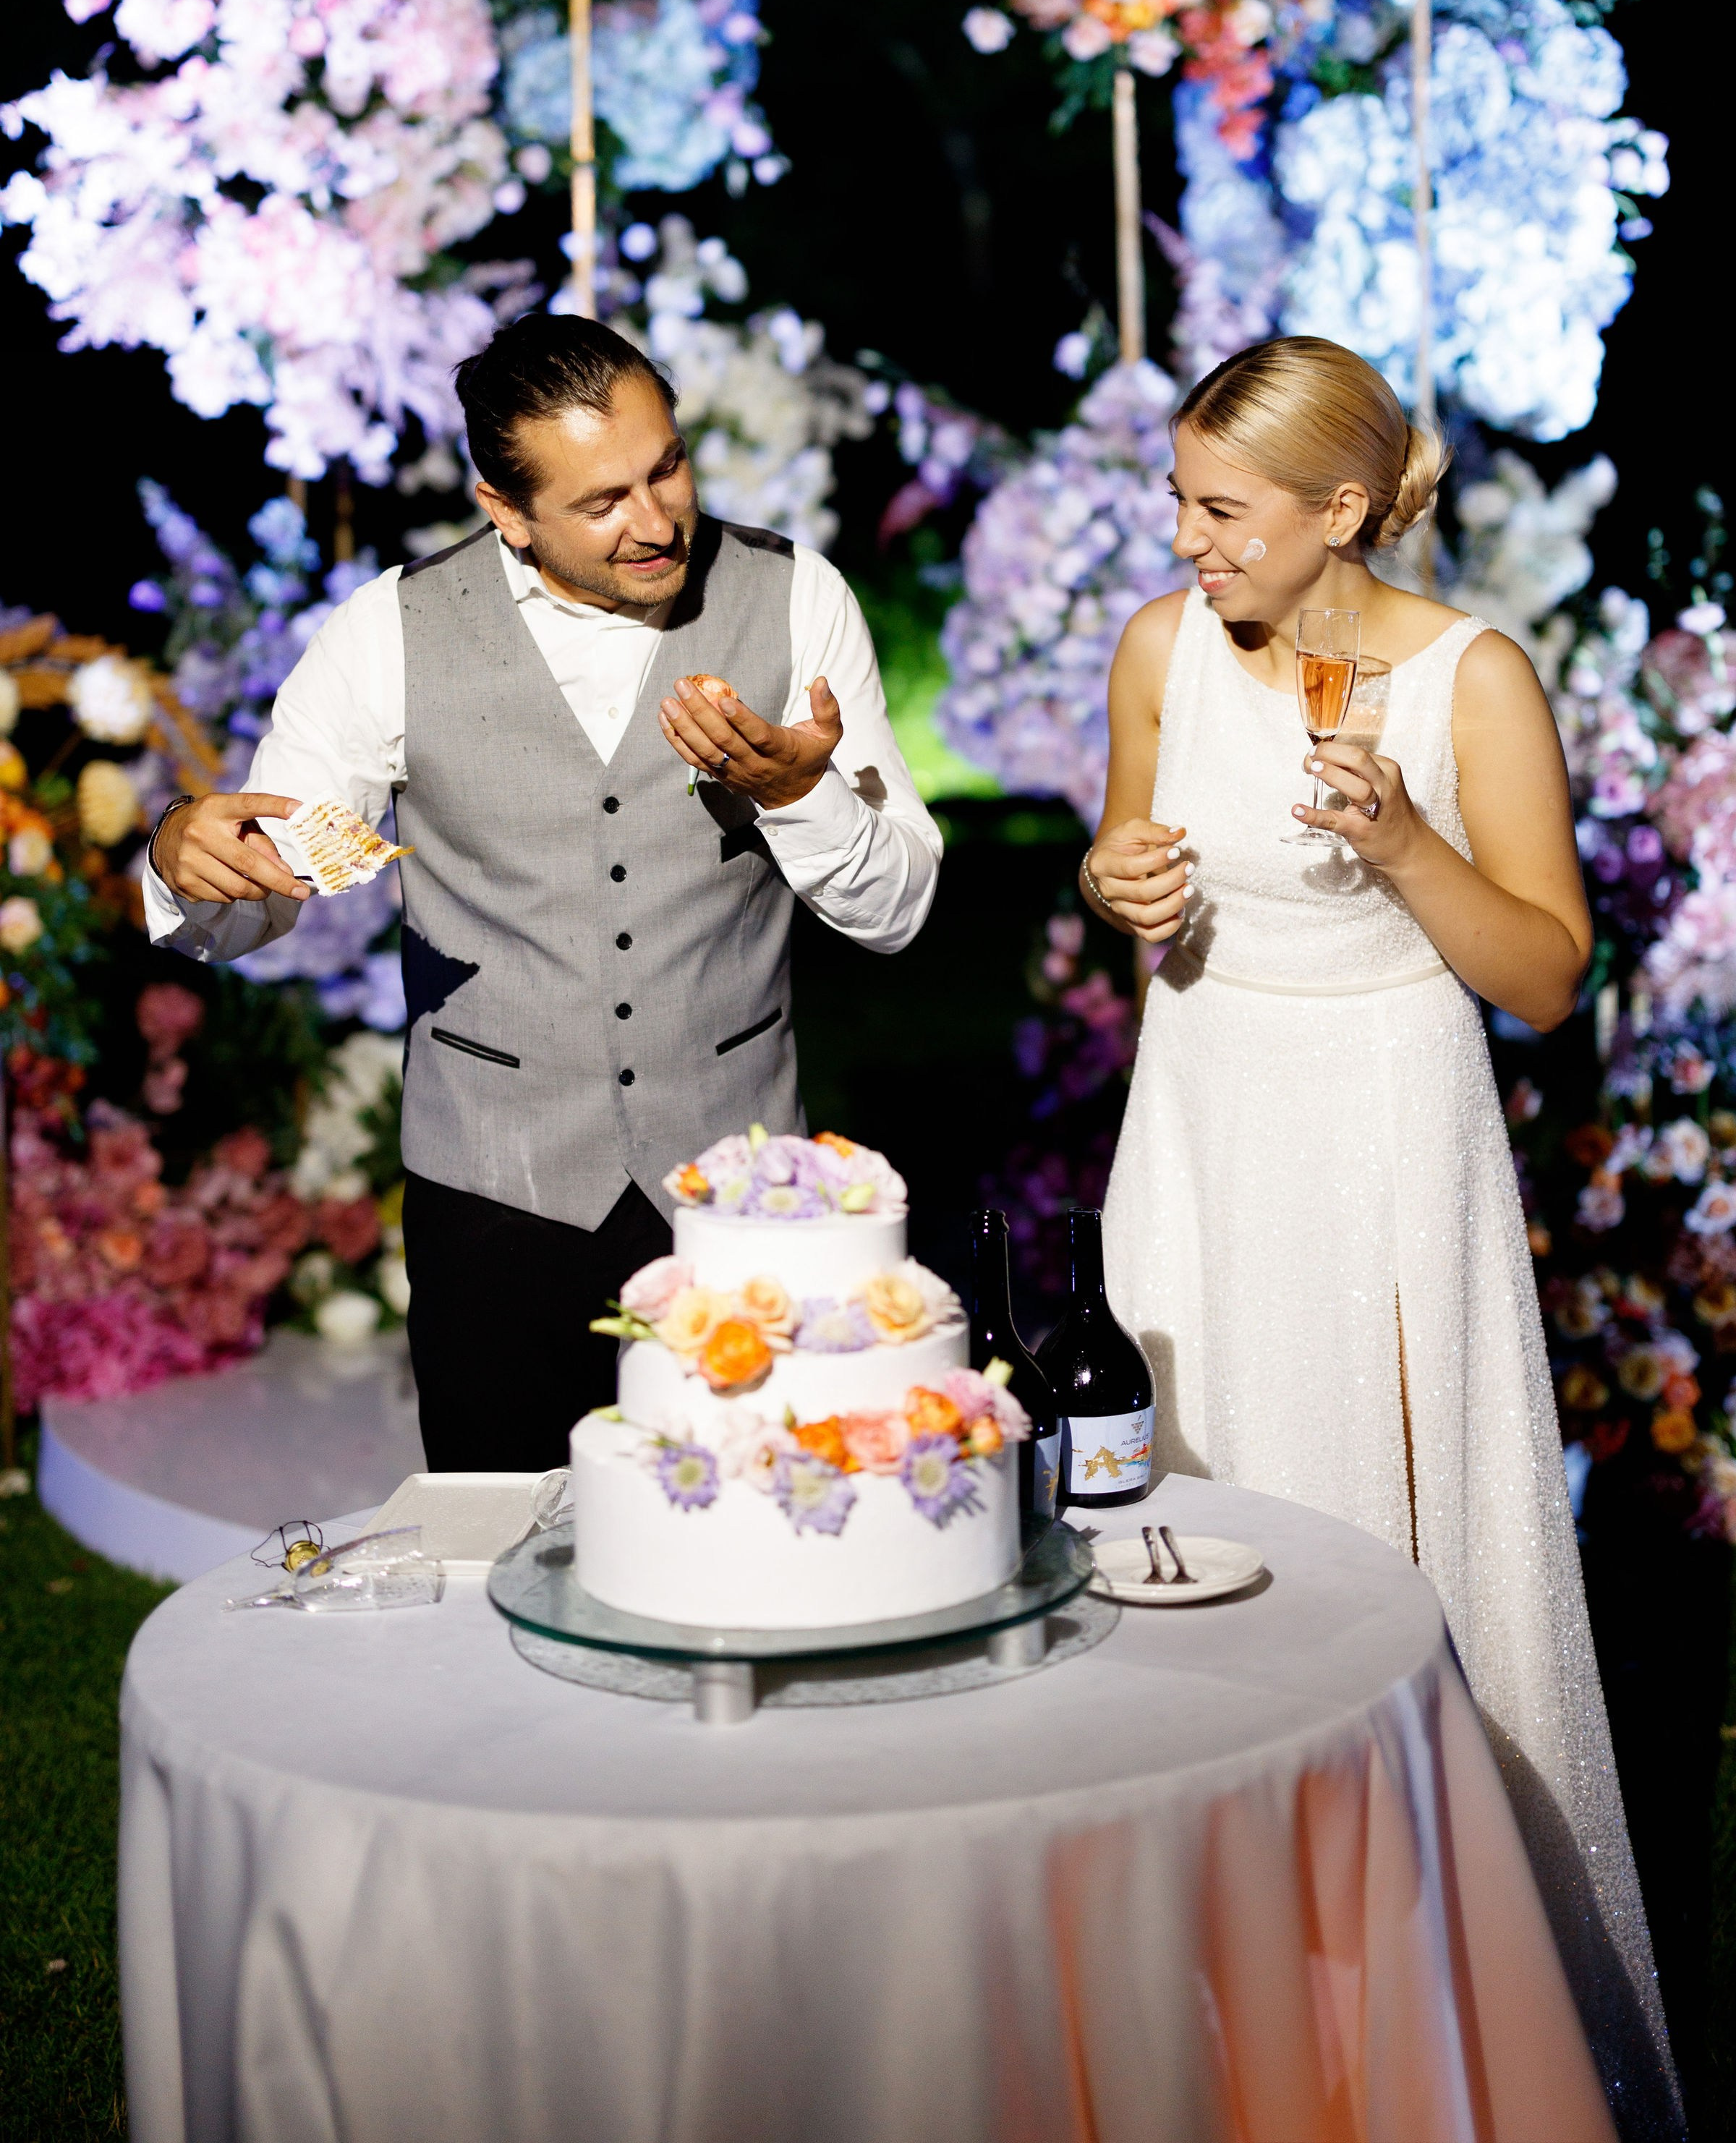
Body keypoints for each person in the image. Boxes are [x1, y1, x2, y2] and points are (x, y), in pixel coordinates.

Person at [1084, 336, 1675, 2123]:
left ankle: (1418, 2019)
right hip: (1205, 1118)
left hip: (1386, 1133)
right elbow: (1134, 864)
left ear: (1342, 509)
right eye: (1181, 500)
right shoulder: (1163, 649)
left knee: (1383, 1543)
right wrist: (1118, 878)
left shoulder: (1470, 680)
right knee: (1186, 1531)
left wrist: (1411, 844)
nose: (1187, 539)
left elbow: (1547, 977)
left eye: (1223, 509)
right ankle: (1204, 2004)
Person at [145, 314, 941, 1469]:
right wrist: (185, 857)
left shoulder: (795, 597)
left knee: (753, 1522)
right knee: (498, 1535)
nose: (657, 522)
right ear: (505, 511)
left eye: (667, 467)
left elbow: (898, 911)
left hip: (738, 1188)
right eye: (602, 501)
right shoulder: (387, 635)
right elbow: (265, 887)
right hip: (493, 1193)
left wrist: (797, 793)